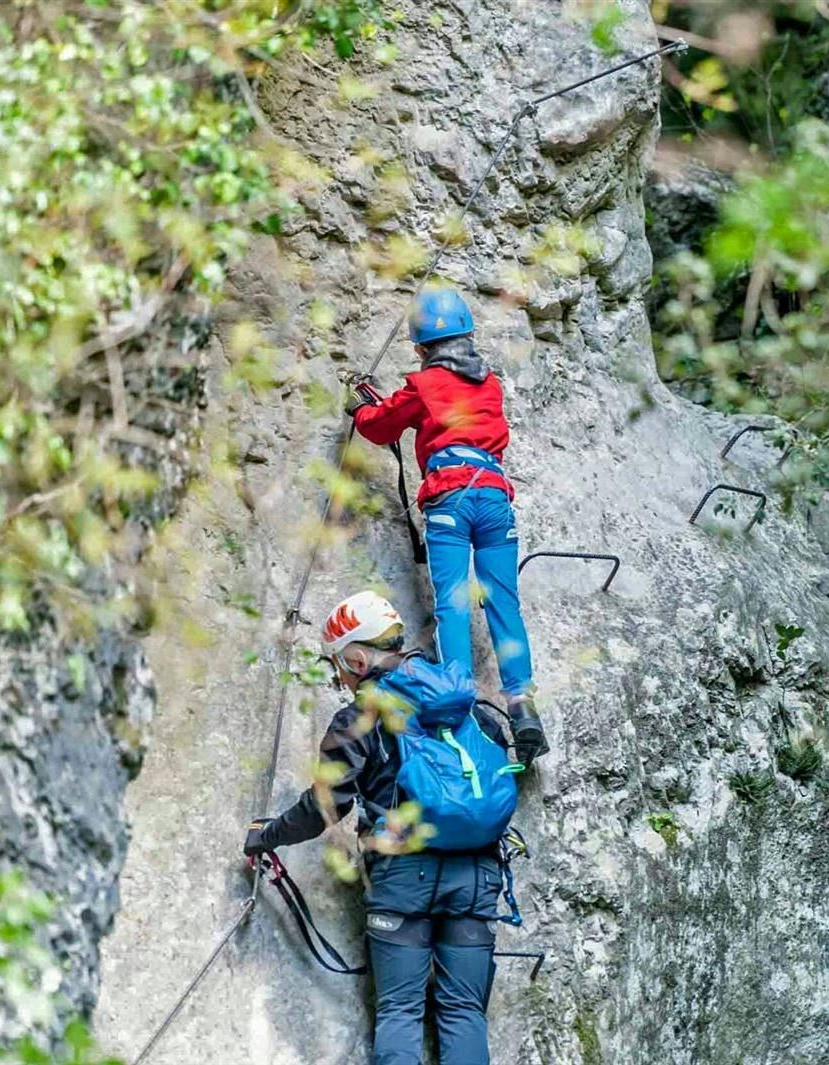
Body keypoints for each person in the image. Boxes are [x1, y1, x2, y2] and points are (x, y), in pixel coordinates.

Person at [244, 591, 512, 1065]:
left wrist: (267, 836)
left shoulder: (361, 718)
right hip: (477, 874)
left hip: (404, 878)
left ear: (359, 657)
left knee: (400, 1013)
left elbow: (326, 806)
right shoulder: (463, 703)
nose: (341, 678)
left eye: (340, 666)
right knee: (465, 1012)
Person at [345, 287, 547, 763]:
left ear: (420, 348)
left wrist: (359, 407)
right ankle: (522, 705)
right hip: (495, 498)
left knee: (453, 605)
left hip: (450, 502)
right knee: (503, 602)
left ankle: (462, 704)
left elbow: (380, 427)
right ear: (469, 337)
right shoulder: (491, 383)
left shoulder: (424, 386)